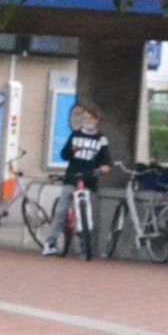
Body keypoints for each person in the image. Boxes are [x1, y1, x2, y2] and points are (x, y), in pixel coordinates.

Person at [51, 104, 113, 255]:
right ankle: (50, 243)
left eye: (90, 118)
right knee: (61, 211)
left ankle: (83, 248)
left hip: (88, 180)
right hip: (71, 177)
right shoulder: (75, 135)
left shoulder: (101, 139)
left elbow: (106, 159)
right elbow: (64, 155)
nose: (87, 121)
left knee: (83, 216)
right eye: (84, 118)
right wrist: (71, 151)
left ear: (97, 120)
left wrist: (105, 167)